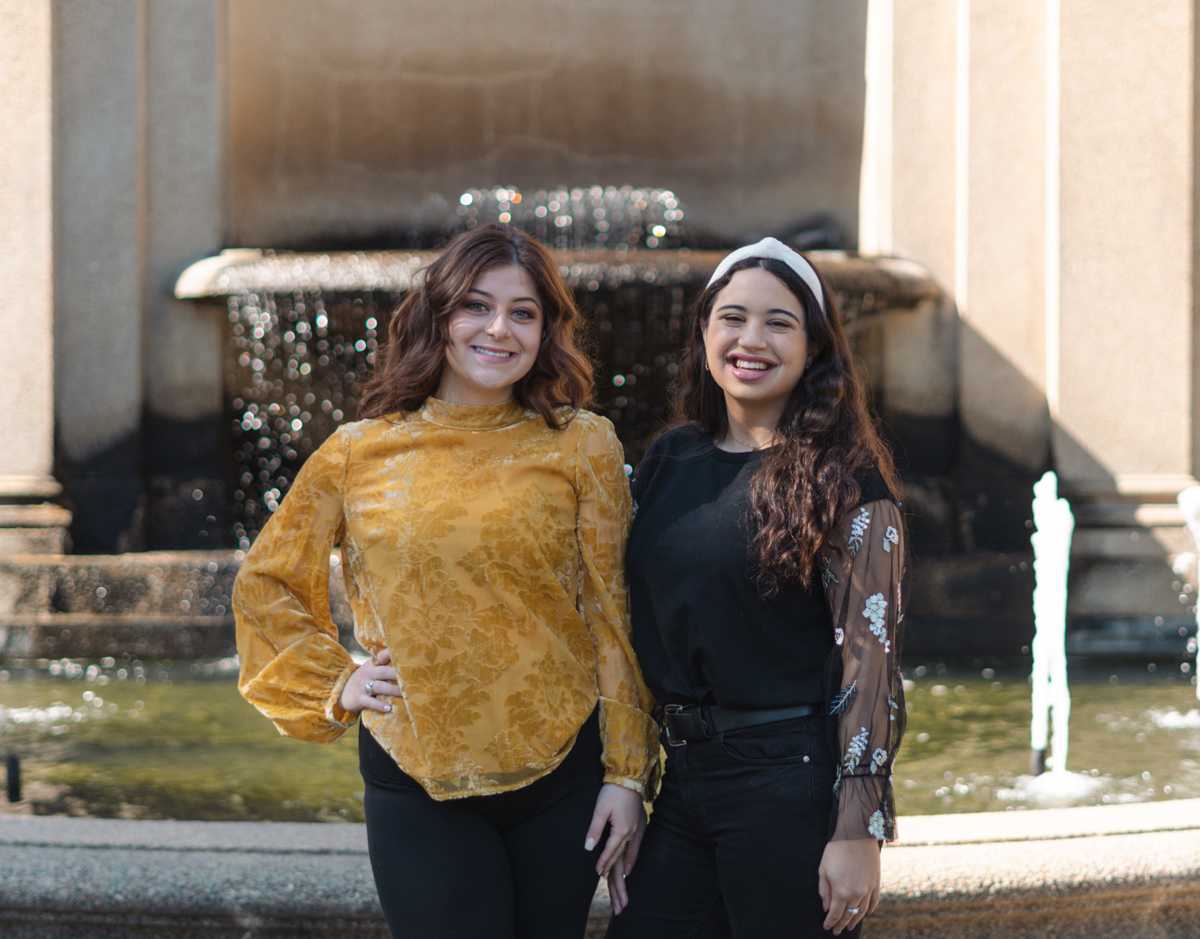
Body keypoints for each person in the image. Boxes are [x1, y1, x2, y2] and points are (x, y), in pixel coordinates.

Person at [233, 223, 660, 939]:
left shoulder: (583, 443)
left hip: (563, 772)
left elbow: (615, 614)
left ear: (546, 329)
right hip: (416, 771)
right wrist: (334, 681)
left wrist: (627, 775)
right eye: (476, 306)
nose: (499, 329)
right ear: (439, 317)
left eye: (523, 312)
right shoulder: (358, 453)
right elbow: (267, 583)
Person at [606, 238, 906, 939]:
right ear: (706, 331)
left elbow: (873, 665)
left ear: (814, 346)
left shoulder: (850, 485)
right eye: (732, 318)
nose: (751, 339)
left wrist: (860, 826)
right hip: (682, 782)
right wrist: (623, 774)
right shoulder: (669, 459)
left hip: (789, 784)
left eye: (779, 322)